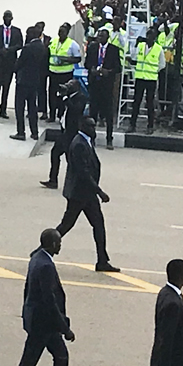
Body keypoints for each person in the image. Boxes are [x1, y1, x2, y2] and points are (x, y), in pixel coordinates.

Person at [6, 229, 76, 366]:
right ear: (52, 244)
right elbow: (49, 301)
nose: (60, 245)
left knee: (61, 358)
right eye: (58, 242)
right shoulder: (46, 266)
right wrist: (65, 328)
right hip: (43, 325)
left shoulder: (36, 257)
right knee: (28, 364)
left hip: (41, 321)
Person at [56, 117, 119, 273]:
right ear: (82, 126)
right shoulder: (79, 144)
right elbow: (83, 173)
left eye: (94, 126)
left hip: (86, 194)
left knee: (98, 225)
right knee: (66, 225)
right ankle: (42, 250)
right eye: (90, 126)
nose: (94, 129)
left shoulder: (86, 141)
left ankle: (102, 260)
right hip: (79, 194)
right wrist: (100, 191)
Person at [42, 79, 86, 190]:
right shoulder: (68, 96)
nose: (68, 86)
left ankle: (77, 183)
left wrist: (66, 98)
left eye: (70, 85)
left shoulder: (81, 97)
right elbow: (60, 108)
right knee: (55, 153)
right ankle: (53, 180)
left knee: (71, 160)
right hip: (64, 132)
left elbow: (76, 110)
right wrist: (60, 96)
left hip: (72, 134)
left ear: (76, 87)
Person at [84, 28, 121, 149]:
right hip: (94, 84)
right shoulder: (93, 47)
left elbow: (118, 68)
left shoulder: (113, 50)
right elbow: (87, 64)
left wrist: (108, 72)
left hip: (106, 85)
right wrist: (92, 69)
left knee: (108, 114)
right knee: (92, 113)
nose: (100, 38)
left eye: (102, 36)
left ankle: (109, 139)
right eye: (99, 35)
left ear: (107, 37)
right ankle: (92, 138)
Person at [11, 24, 45, 142]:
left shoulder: (27, 48)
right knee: (32, 108)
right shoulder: (41, 47)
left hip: (23, 81)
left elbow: (20, 63)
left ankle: (21, 132)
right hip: (35, 81)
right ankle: (34, 132)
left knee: (20, 107)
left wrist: (14, 68)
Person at [127, 28, 165, 135]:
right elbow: (134, 57)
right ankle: (132, 125)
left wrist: (153, 70)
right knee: (136, 102)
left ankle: (150, 126)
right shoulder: (141, 46)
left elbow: (162, 64)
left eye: (151, 36)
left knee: (150, 103)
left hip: (151, 79)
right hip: (140, 78)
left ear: (155, 38)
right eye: (148, 35)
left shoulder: (158, 49)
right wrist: (135, 46)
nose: (149, 37)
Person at [0, 11, 23, 120]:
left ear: (12, 18)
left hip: (10, 61)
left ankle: (3, 109)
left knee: (6, 86)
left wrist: (9, 50)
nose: (7, 19)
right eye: (5, 17)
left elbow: (20, 44)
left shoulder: (16, 31)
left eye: (9, 17)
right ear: (3, 18)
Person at [47, 23, 81, 121]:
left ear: (67, 33)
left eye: (63, 32)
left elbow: (78, 59)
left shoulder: (72, 44)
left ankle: (61, 115)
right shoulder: (53, 41)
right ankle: (52, 115)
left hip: (65, 73)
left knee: (63, 95)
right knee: (52, 94)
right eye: (59, 31)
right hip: (53, 72)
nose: (60, 33)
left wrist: (66, 60)